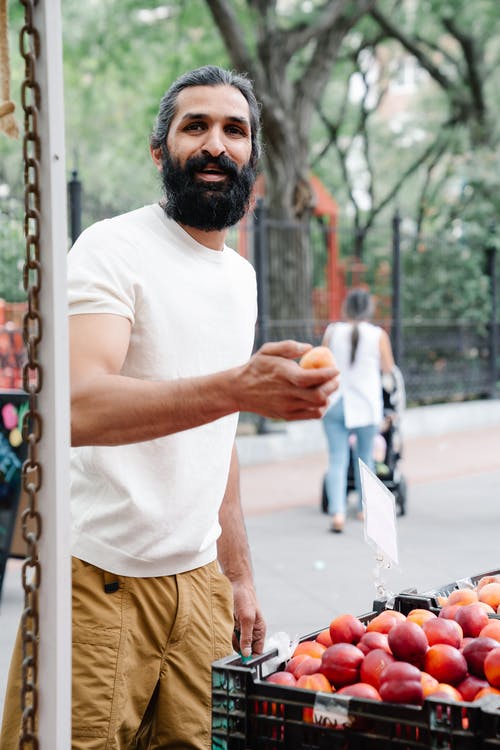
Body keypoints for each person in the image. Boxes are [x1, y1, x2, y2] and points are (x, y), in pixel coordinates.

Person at [1, 66, 339, 750]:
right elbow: (75, 407)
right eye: (196, 127)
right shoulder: (112, 247)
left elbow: (218, 435)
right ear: (162, 151)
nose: (216, 144)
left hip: (201, 586)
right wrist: (238, 386)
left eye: (234, 130)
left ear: (252, 156)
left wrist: (239, 575)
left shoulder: (239, 276)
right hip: (100, 584)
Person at [321, 288, 394, 533]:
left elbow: (321, 361)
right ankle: (365, 510)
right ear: (369, 310)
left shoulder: (333, 331)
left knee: (337, 460)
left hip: (335, 402)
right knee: (366, 460)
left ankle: (338, 513)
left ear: (346, 309)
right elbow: (387, 368)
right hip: (366, 404)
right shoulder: (377, 335)